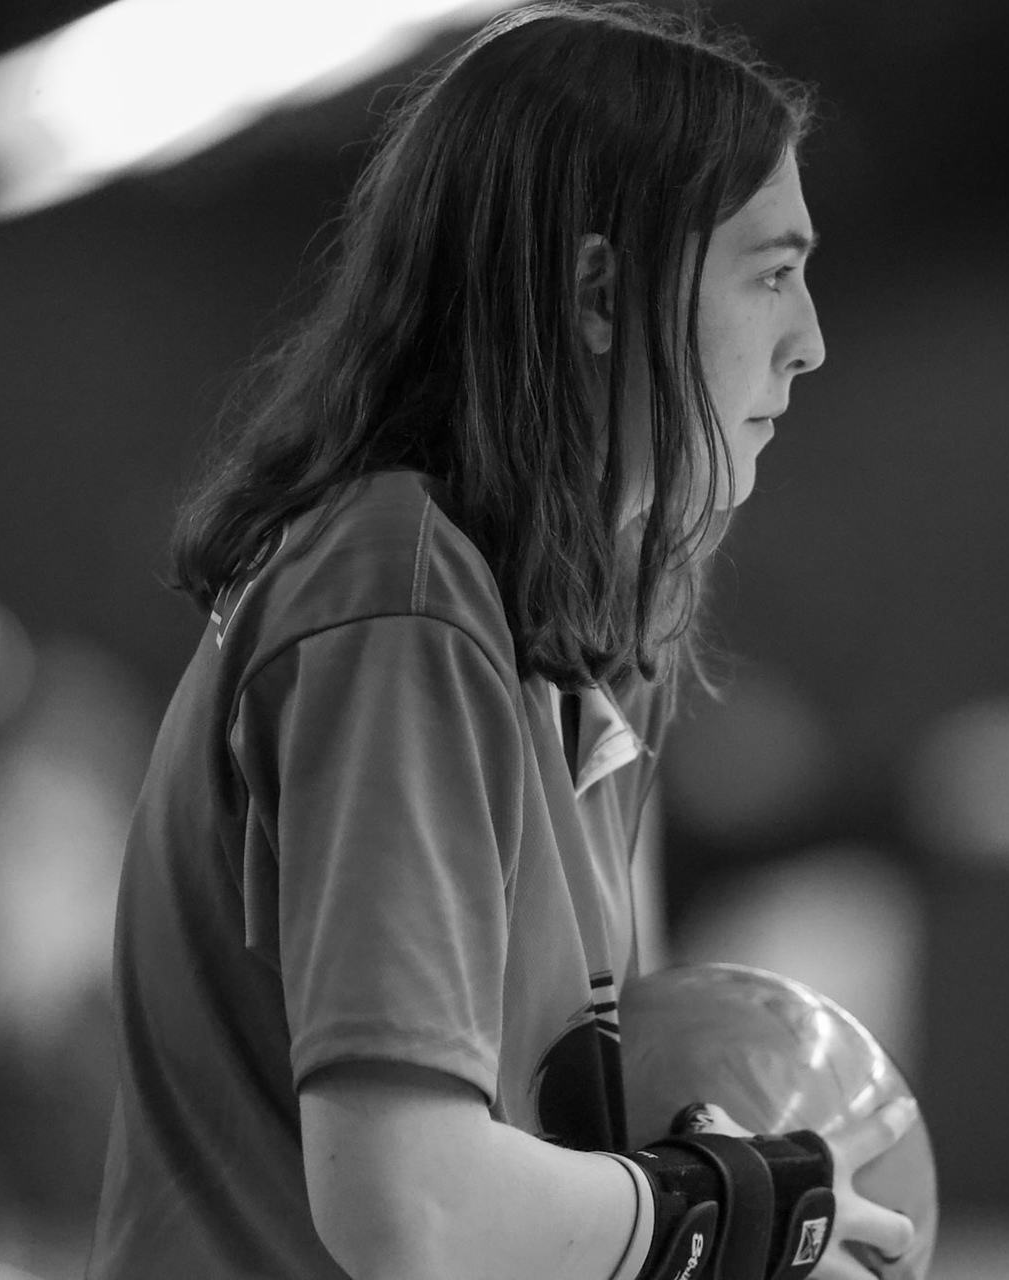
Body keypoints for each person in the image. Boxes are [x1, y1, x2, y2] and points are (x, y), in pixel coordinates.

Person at [87, 4, 916, 1278]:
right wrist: (730, 1211)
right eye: (769, 270)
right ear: (599, 291)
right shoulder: (398, 601)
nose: (810, 341)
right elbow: (407, 1207)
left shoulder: (569, 648)